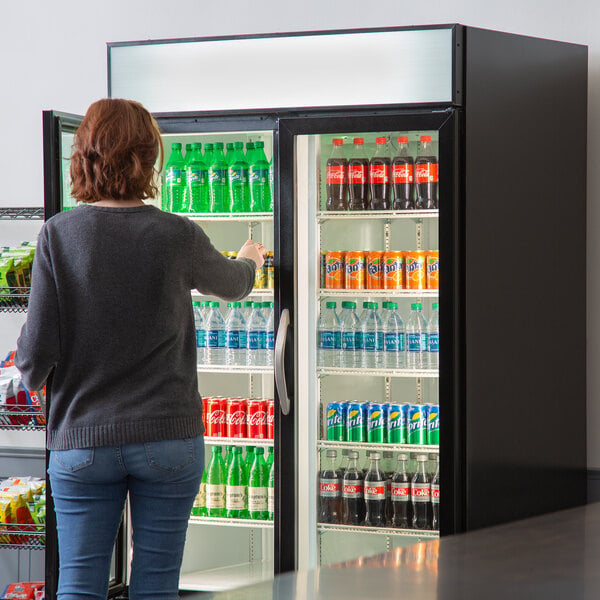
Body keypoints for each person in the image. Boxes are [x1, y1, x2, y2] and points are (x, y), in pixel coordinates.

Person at [15, 98, 265, 600]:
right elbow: (235, 286)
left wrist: (32, 373)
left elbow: (35, 357)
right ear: (149, 159)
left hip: (83, 438)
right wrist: (250, 258)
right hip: (168, 438)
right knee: (156, 583)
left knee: (80, 584)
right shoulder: (176, 233)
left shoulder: (58, 235)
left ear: (83, 157)